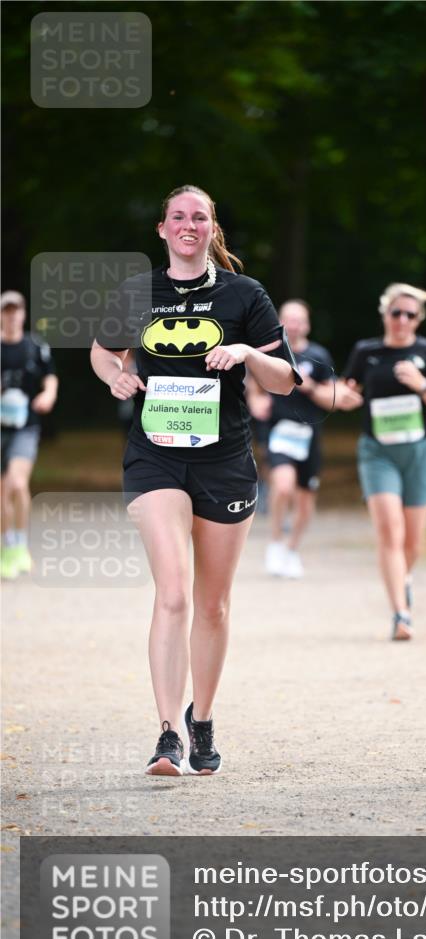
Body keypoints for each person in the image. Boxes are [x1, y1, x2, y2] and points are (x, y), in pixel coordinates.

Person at [90, 184, 299, 777]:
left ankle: (200, 720)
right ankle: (165, 736)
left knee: (212, 604)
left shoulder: (244, 294)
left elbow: (285, 378)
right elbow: (104, 352)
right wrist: (116, 378)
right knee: (174, 592)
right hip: (155, 456)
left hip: (224, 460)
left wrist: (244, 354)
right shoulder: (138, 292)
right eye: (178, 217)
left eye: (199, 217)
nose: (188, 225)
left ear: (212, 228)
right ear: (162, 230)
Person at [342, 283, 426, 639]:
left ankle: (403, 577)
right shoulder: (366, 351)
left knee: (412, 542)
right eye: (396, 313)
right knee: (390, 530)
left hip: (420, 450)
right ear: (385, 314)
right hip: (378, 452)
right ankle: (401, 615)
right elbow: (348, 391)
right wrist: (342, 397)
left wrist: (420, 385)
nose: (402, 320)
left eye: (410, 314)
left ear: (419, 319)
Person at [246, 299, 339, 578]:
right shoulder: (273, 350)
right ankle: (275, 542)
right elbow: (253, 378)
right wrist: (255, 400)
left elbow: (331, 398)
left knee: (305, 500)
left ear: (307, 324)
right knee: (282, 486)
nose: (294, 325)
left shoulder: (319, 355)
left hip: (308, 434)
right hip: (278, 431)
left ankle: (291, 550)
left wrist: (309, 388)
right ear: (280, 322)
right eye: (289, 319)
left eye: (299, 320)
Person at [1, 290, 58, 579]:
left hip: (26, 426)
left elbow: (50, 377)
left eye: (16, 310)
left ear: (22, 313)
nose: (11, 316)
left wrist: (48, 394)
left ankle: (20, 546)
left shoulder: (35, 346)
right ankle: (8, 547)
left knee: (17, 482)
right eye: (6, 311)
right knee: (2, 492)